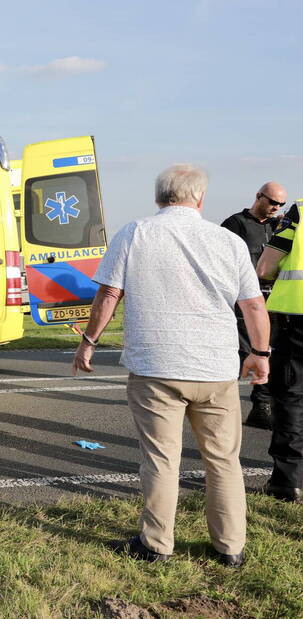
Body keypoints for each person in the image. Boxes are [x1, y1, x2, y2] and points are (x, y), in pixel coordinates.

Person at [73, 164, 269, 567]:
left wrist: (88, 342)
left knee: (162, 459)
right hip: (215, 367)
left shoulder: (135, 232)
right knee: (223, 460)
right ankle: (230, 546)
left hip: (156, 365)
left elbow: (110, 293)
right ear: (199, 198)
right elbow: (252, 304)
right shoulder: (227, 240)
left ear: (159, 196)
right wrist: (260, 354)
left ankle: (157, 543)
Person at [221, 182, 288, 429]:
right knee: (253, 351)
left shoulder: (279, 226)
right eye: (272, 202)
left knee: (272, 352)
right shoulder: (234, 224)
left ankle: (265, 403)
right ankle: (259, 405)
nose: (276, 207)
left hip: (276, 300)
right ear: (258, 196)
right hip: (246, 301)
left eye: (281, 204)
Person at [257, 198, 303, 503]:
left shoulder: (299, 214)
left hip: (296, 320)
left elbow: (265, 267)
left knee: (292, 399)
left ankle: (288, 483)